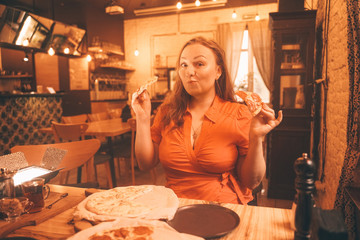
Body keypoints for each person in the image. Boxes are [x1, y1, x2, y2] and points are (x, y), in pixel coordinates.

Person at [131, 36, 283, 204]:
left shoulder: (239, 114)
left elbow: (252, 181)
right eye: (184, 65)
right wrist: (142, 118)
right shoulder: (166, 112)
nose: (189, 71)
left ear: (218, 71)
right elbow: (145, 163)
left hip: (224, 209)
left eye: (199, 64)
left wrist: (256, 139)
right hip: (174, 208)